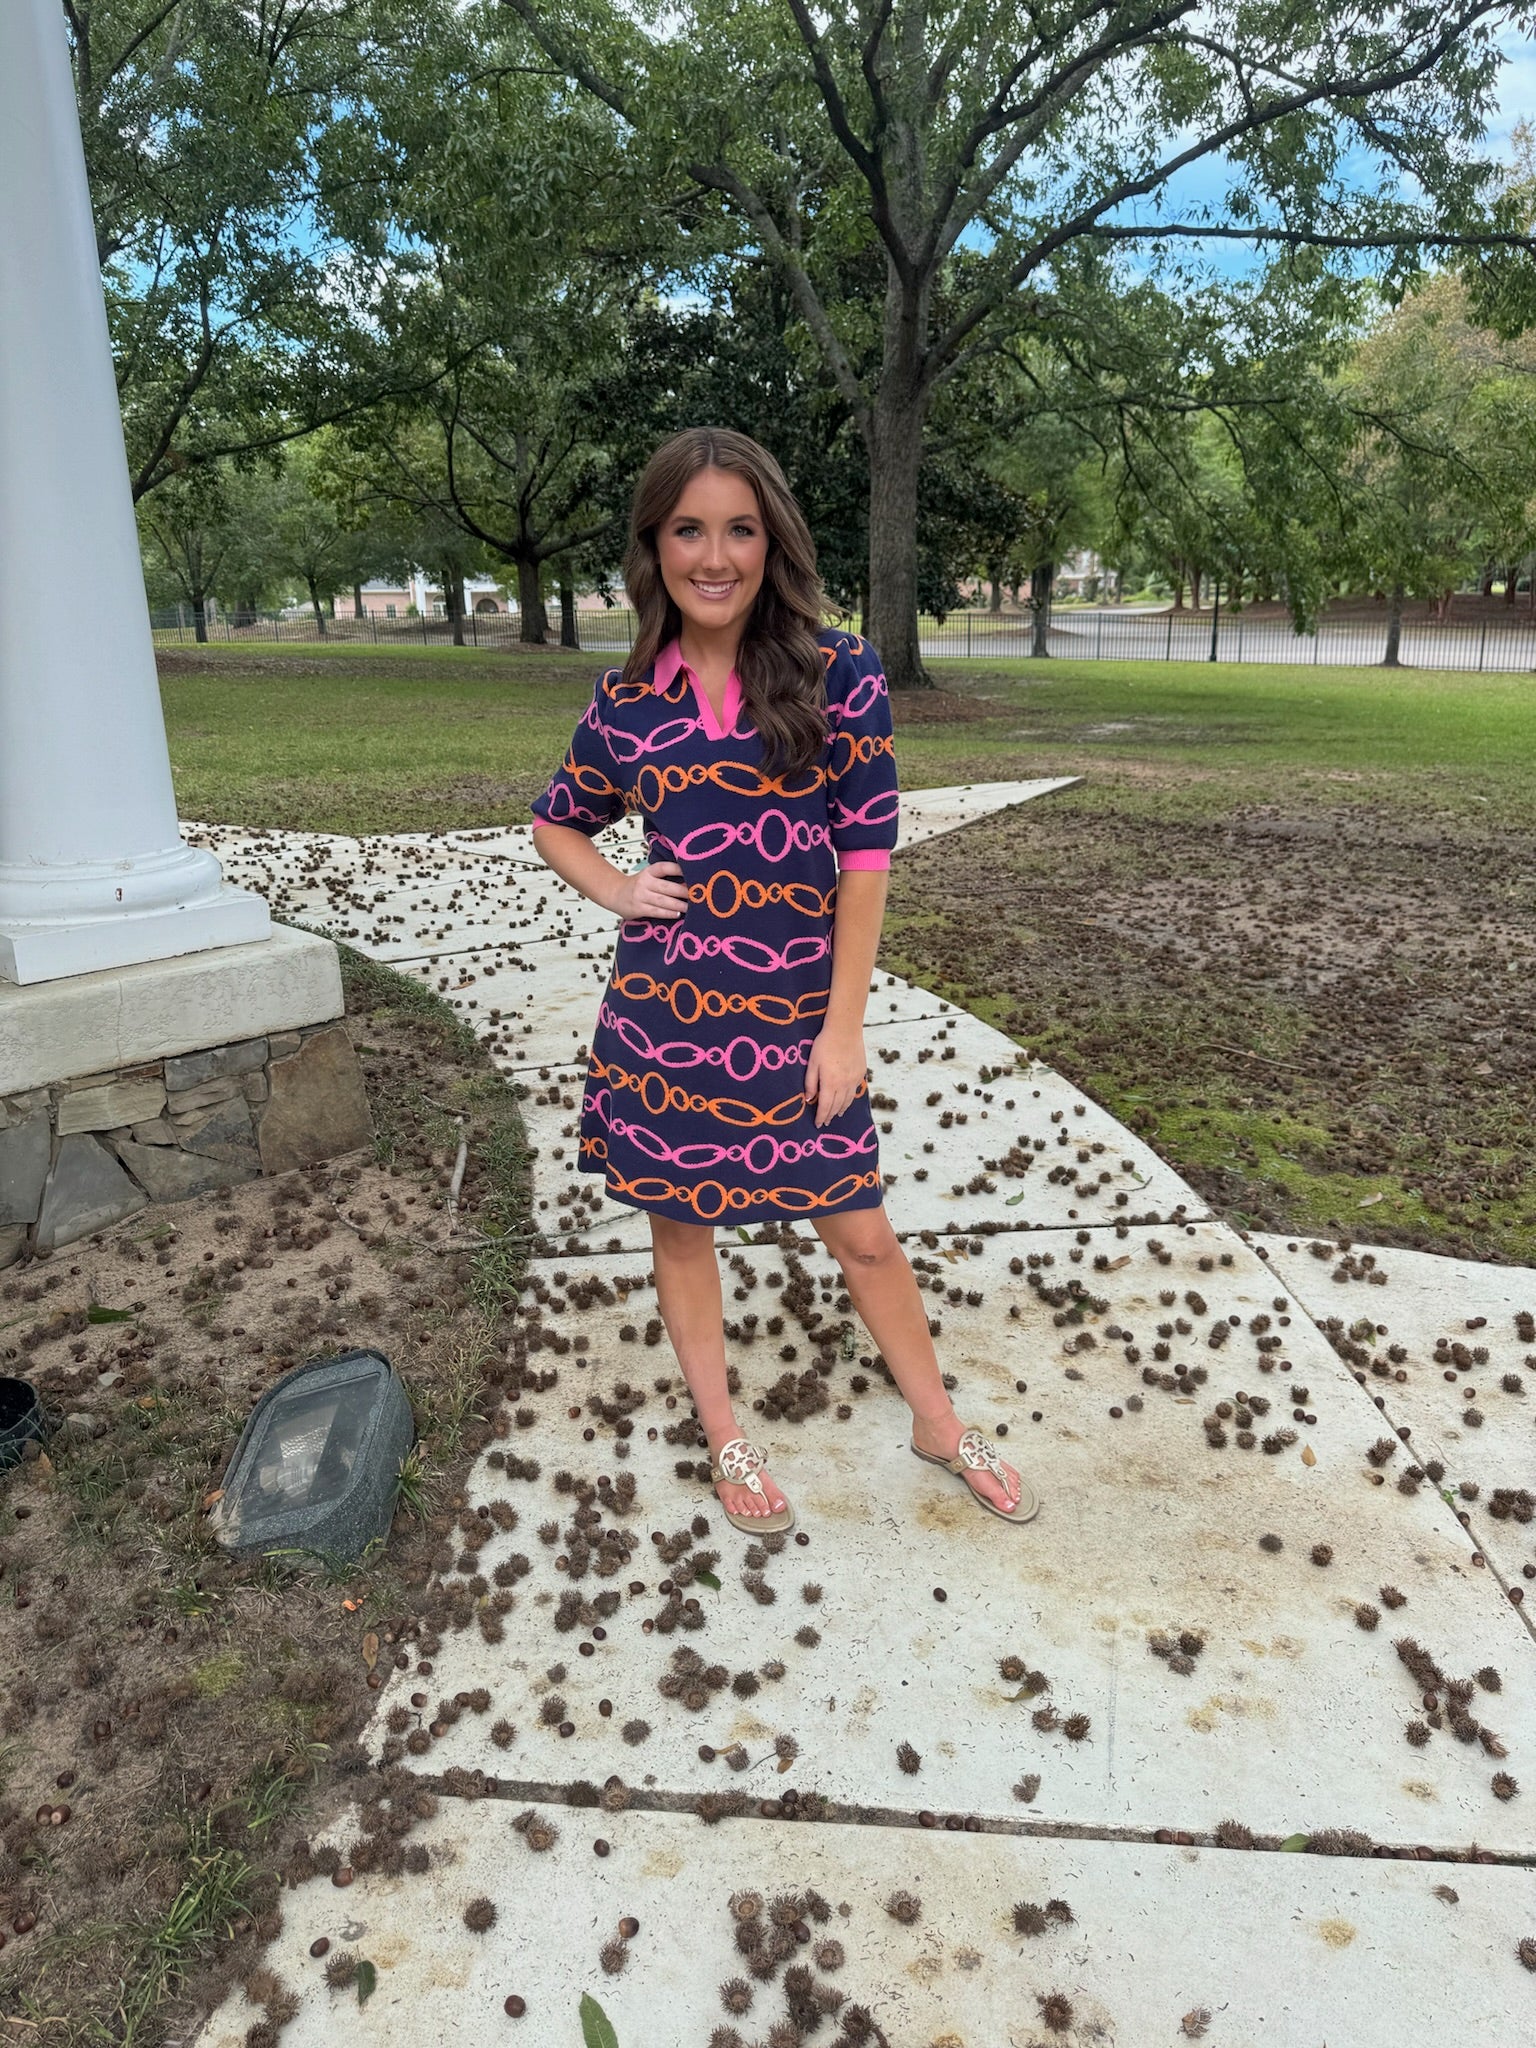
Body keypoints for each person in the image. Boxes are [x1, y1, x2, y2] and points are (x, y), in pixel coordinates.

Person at [529, 426, 1035, 1534]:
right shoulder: (625, 700)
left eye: (740, 530)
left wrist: (842, 1030)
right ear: (655, 547)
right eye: (688, 530)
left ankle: (937, 1421)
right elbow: (557, 820)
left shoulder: (837, 670)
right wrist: (618, 889)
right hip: (665, 1025)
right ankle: (726, 1434)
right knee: (681, 1232)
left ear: (773, 542)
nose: (715, 557)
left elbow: (866, 857)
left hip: (801, 1021)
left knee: (861, 1232)